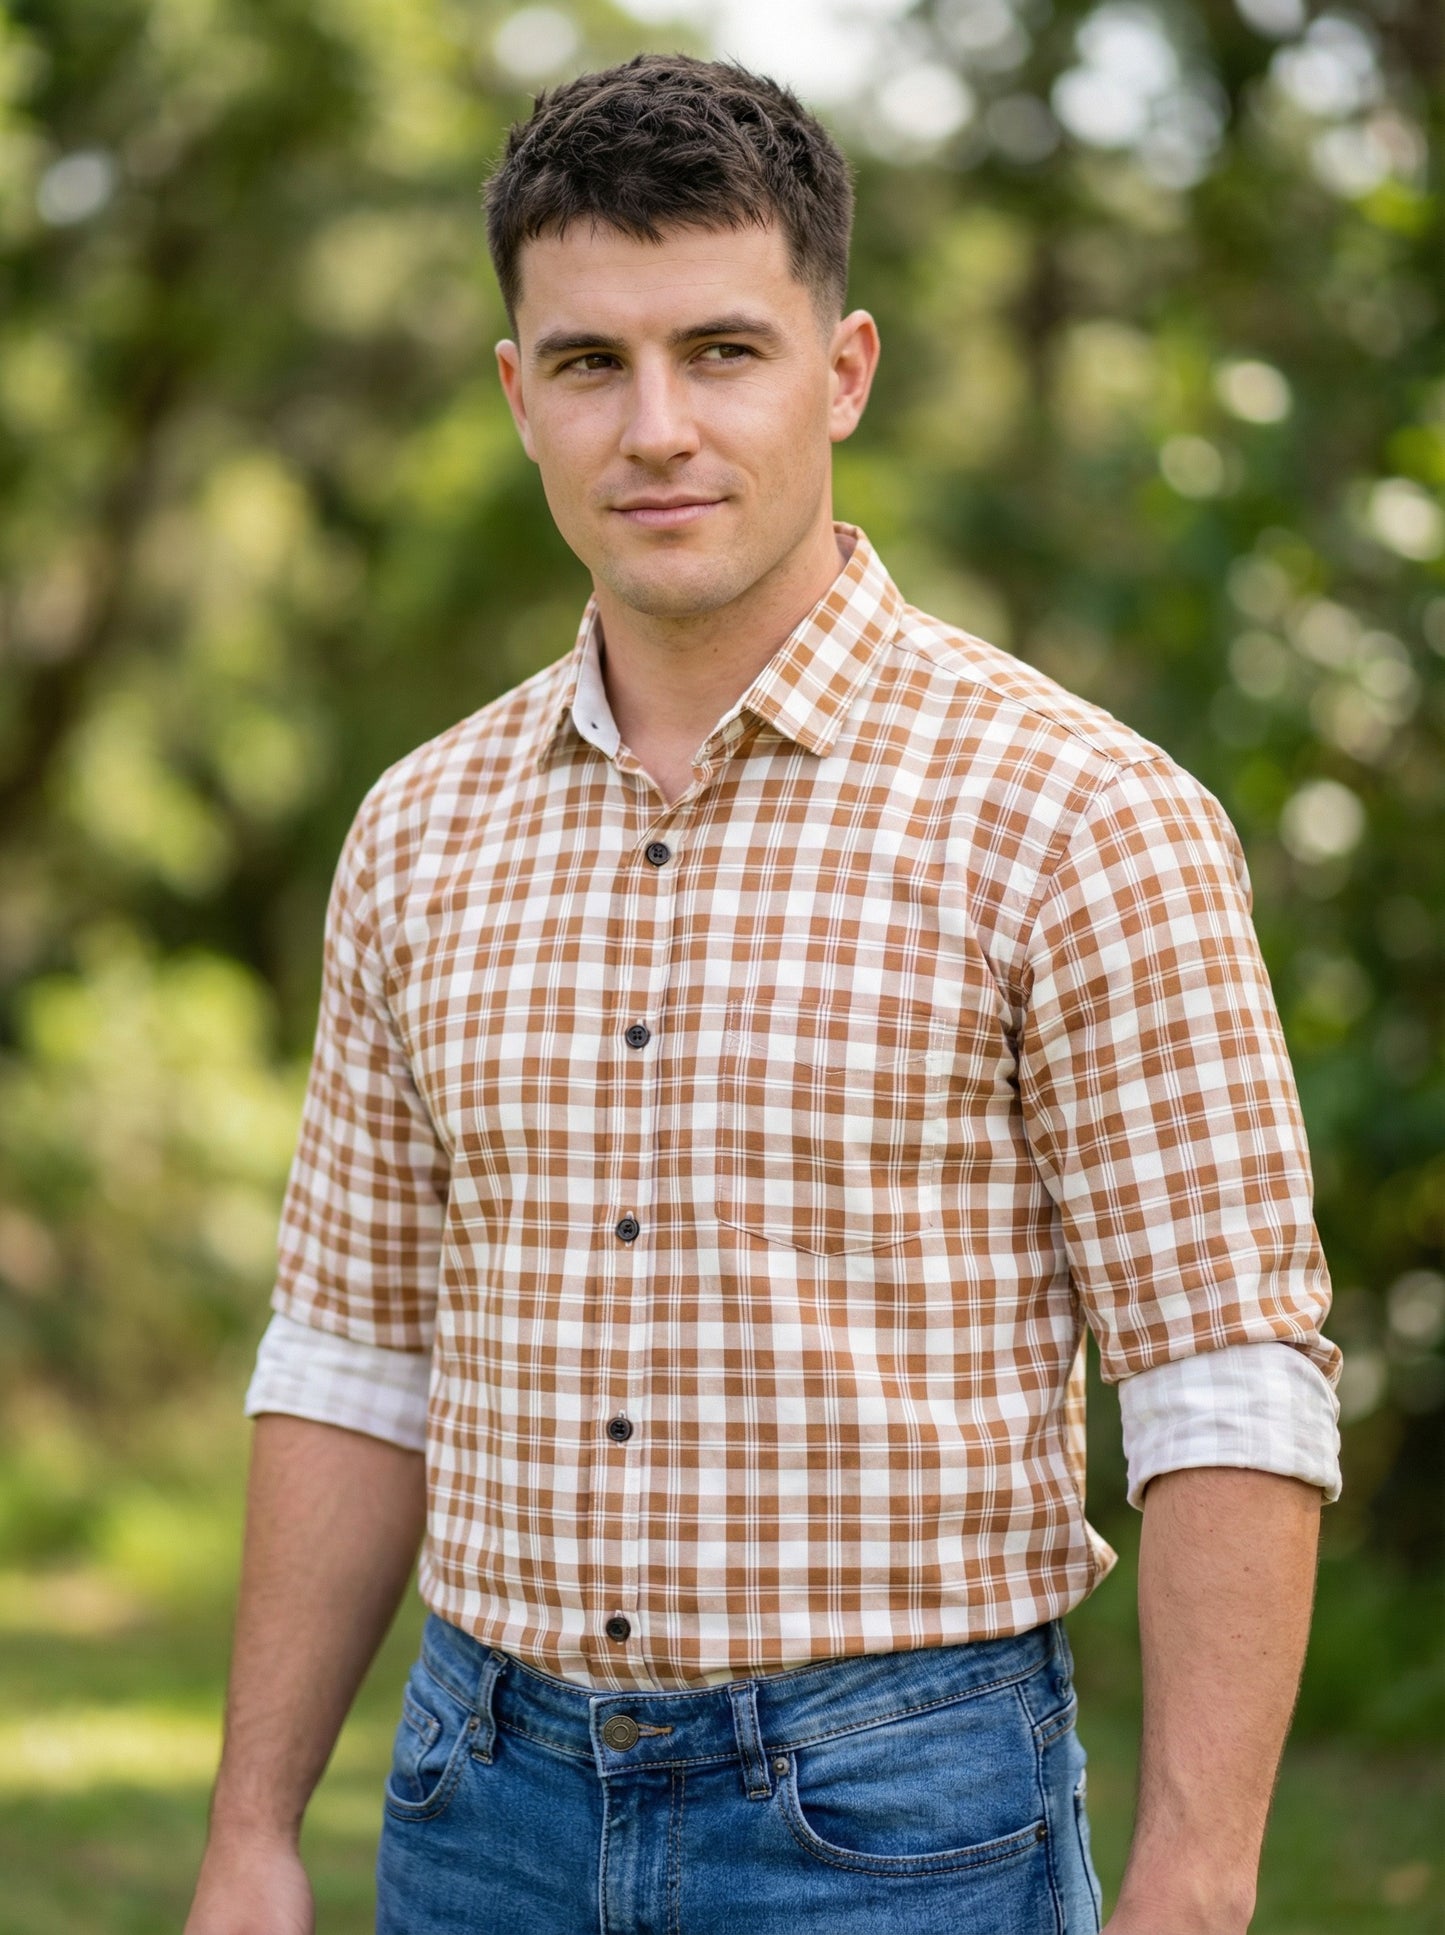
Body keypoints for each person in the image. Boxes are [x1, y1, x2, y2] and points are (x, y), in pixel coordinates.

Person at [184, 52, 1341, 1935]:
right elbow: (348, 1354)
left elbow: (1223, 1383)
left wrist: (1194, 1888)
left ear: (844, 370)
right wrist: (249, 1831)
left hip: (898, 1824)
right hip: (474, 1806)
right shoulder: (414, 833)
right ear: (515, 396)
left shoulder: (1080, 819)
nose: (656, 428)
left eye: (721, 351)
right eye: (588, 363)